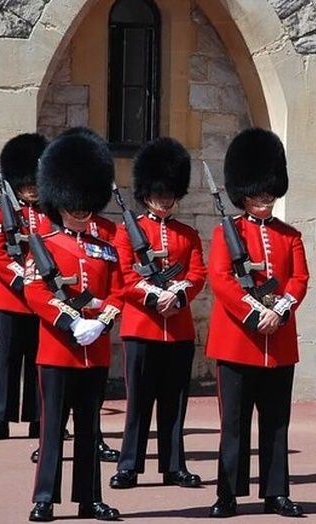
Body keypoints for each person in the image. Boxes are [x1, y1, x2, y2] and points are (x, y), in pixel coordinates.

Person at [206, 128, 310, 518]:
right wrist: (254, 312)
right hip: (238, 341)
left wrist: (279, 309)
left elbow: (299, 279)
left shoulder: (290, 236)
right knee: (233, 422)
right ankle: (228, 493)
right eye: (256, 193)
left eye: (268, 192)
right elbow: (221, 279)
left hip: (278, 341)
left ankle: (276, 492)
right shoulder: (226, 232)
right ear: (243, 192)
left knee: (276, 423)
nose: (264, 199)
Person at [24, 130, 122, 522]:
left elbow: (120, 291)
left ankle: (89, 498)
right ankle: (45, 497)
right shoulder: (45, 243)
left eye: (85, 205)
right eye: (72, 205)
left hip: (94, 350)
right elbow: (35, 291)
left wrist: (101, 324)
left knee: (89, 427)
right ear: (59, 201)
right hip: (57, 350)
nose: (80, 212)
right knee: (52, 429)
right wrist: (70, 322)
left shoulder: (106, 246)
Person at [110, 137, 207, 490]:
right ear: (146, 191)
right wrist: (153, 297)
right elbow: (123, 276)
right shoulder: (126, 232)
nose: (165, 198)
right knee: (138, 403)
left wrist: (177, 295)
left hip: (178, 330)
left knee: (174, 404)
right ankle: (129, 465)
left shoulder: (188, 234)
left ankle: (173, 465)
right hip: (142, 329)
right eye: (159, 192)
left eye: (170, 192)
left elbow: (197, 274)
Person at [0, 133, 50, 442]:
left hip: (43, 300)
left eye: (35, 182)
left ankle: (38, 419)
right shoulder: (0, 213)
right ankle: (1, 419)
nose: (31, 188)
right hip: (11, 299)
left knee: (39, 359)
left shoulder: (51, 214)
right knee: (8, 359)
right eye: (26, 183)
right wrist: (22, 277)